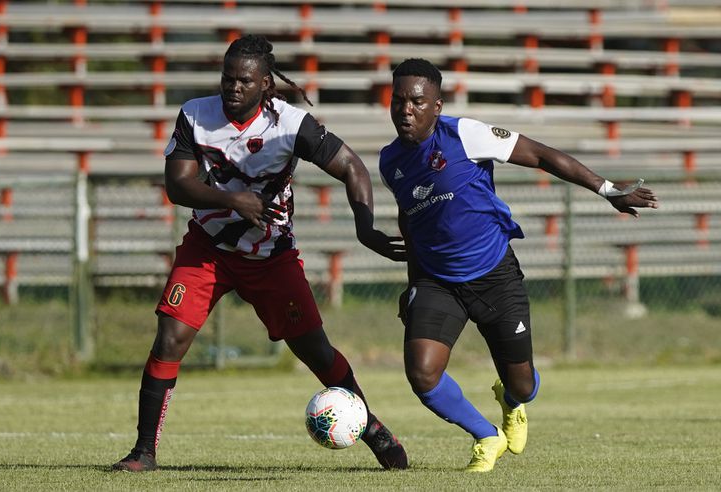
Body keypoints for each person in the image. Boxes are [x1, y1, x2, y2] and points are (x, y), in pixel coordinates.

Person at [112, 34, 408, 472]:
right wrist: (233, 201)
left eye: (243, 81)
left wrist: (365, 227)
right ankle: (143, 453)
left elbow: (351, 166)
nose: (232, 88)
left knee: (316, 352)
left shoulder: (291, 124)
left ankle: (373, 428)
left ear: (265, 84)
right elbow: (177, 185)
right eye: (227, 78)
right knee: (169, 339)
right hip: (207, 249)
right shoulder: (195, 114)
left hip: (271, 256)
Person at [378, 58, 659, 473]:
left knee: (523, 386)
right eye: (398, 100)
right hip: (437, 281)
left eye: (417, 102)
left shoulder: (465, 134)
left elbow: (542, 155)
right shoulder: (390, 162)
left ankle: (511, 403)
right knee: (422, 374)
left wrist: (607, 190)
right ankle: (486, 436)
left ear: (436, 106)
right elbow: (412, 224)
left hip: (494, 275)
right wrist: (413, 284)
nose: (406, 110)